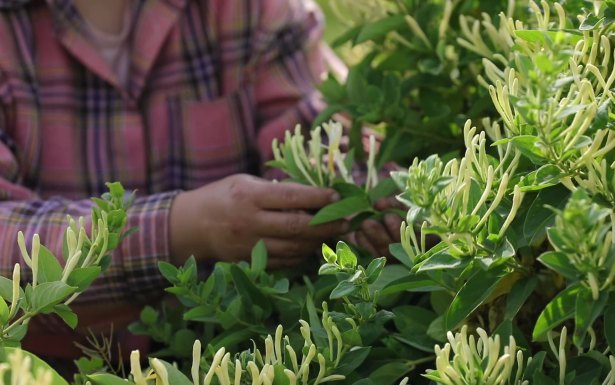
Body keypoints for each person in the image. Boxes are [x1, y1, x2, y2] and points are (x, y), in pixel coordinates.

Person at [0, 0, 400, 355]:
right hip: (55, 363)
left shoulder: (254, 10)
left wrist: (369, 199)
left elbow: (322, 130)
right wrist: (185, 226)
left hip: (249, 353)